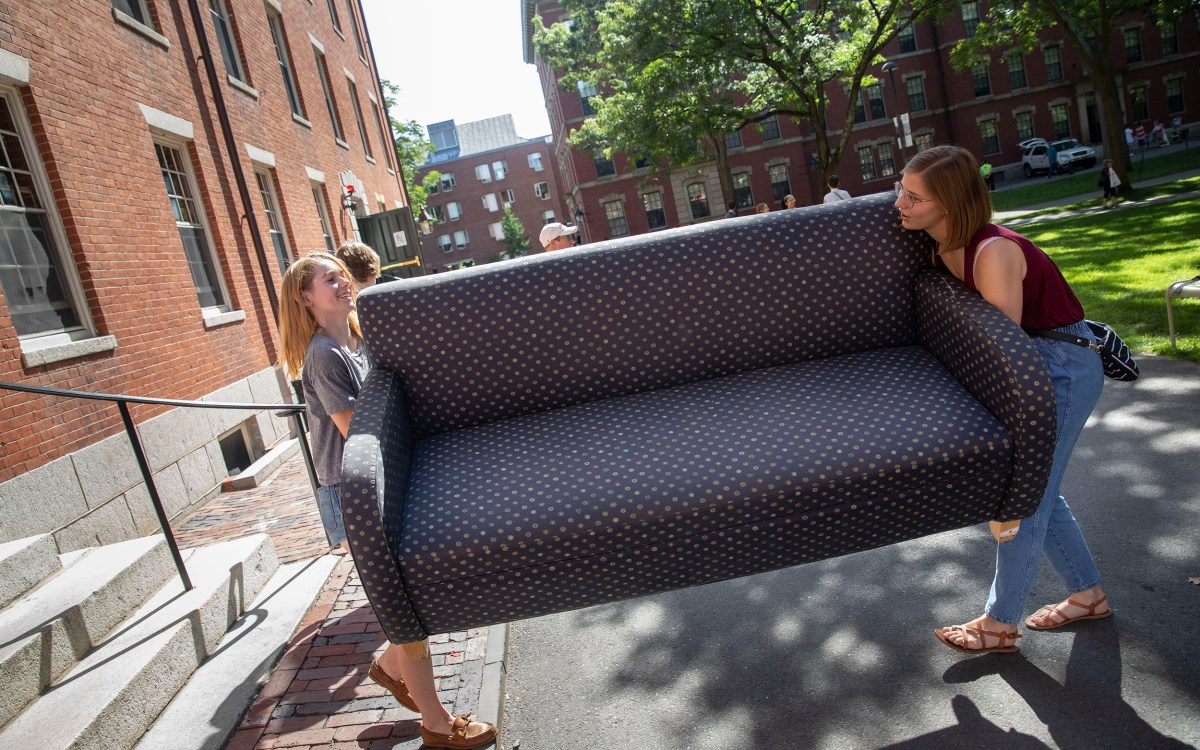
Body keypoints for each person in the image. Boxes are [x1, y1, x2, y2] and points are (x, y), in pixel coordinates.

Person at [894, 145, 1111, 656]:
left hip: (1057, 369)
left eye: (914, 196)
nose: (899, 203)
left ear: (948, 203)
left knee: (1025, 499)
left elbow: (1005, 357)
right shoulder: (935, 242)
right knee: (1042, 492)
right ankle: (1089, 594)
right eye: (900, 189)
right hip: (1033, 369)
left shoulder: (992, 252)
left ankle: (1000, 622)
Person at [277, 254, 498, 748]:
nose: (343, 283)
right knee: (406, 605)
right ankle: (437, 725)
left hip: (386, 478)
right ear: (304, 297)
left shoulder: (359, 337)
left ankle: (391, 666)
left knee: (417, 597)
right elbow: (356, 432)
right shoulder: (324, 355)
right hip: (356, 493)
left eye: (342, 275)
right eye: (329, 278)